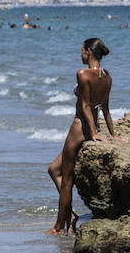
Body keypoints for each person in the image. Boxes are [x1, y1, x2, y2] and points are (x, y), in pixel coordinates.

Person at [46, 37, 118, 235]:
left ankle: (59, 227)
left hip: (79, 127)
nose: (80, 55)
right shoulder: (107, 76)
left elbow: (85, 105)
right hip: (91, 125)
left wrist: (92, 133)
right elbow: (105, 108)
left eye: (82, 51)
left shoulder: (83, 74)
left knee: (67, 181)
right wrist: (113, 134)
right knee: (54, 169)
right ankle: (69, 216)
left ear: (89, 52)